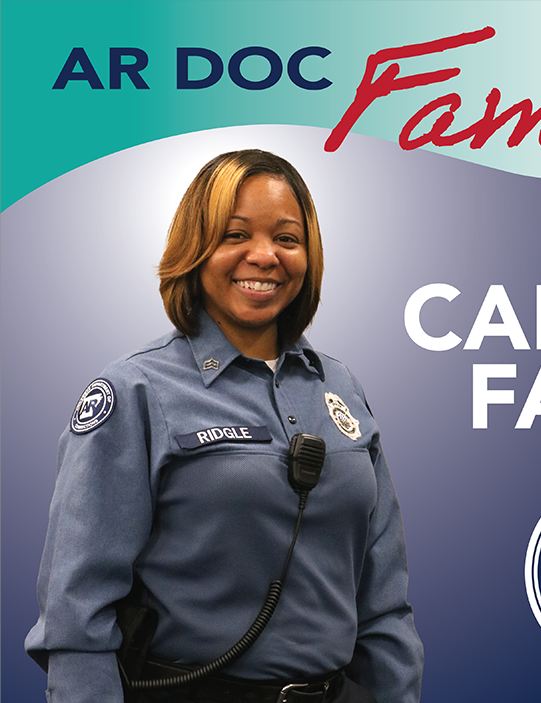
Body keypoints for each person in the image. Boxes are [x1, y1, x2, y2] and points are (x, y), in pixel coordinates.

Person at [25, 149, 424, 703]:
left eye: (287, 239)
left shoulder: (340, 388)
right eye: (235, 235)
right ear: (195, 250)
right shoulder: (134, 393)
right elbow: (76, 617)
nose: (264, 256)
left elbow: (383, 602)